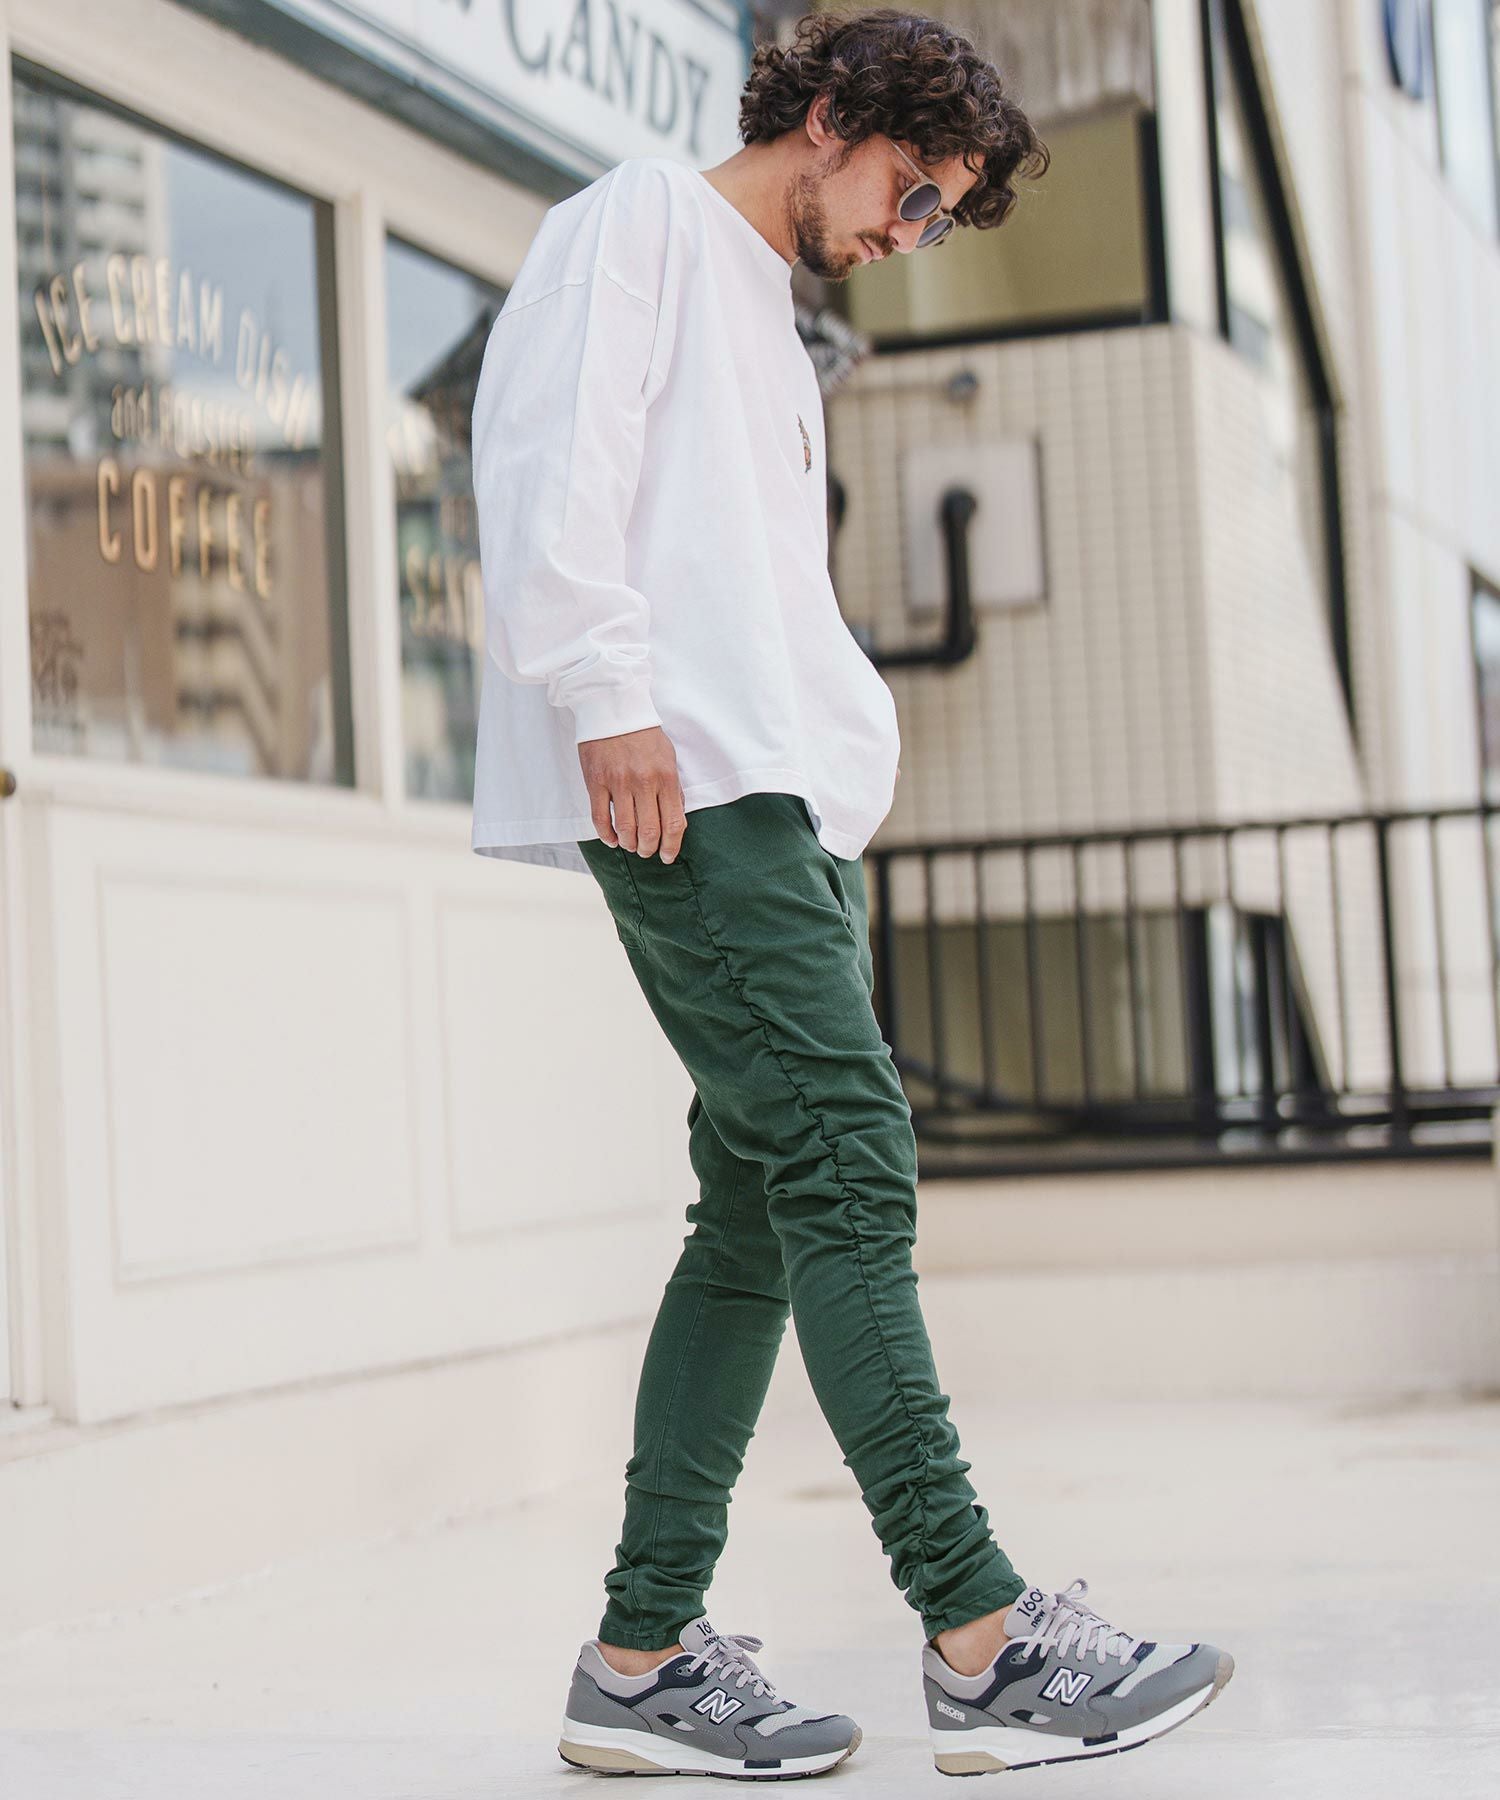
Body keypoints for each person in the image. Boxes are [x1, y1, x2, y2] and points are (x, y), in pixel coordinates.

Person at [470, 6, 1234, 1781]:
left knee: (757, 1215)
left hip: (786, 807)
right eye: (911, 188)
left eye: (941, 214)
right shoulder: (642, 221)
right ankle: (981, 1634)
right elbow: (550, 468)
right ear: (825, 115)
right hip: (693, 786)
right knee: (848, 1156)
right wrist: (610, 702)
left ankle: (641, 1659)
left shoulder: (773, 309)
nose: (914, 231)